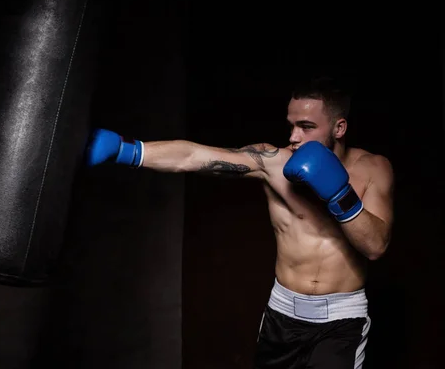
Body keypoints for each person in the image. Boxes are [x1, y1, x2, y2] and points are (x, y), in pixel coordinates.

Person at [84, 76, 394, 369]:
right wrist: (128, 150)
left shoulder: (373, 169)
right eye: (291, 125)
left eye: (306, 126)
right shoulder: (273, 161)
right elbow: (194, 156)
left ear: (339, 128)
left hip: (341, 322)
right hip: (282, 314)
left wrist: (339, 194)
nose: (293, 137)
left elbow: (375, 246)